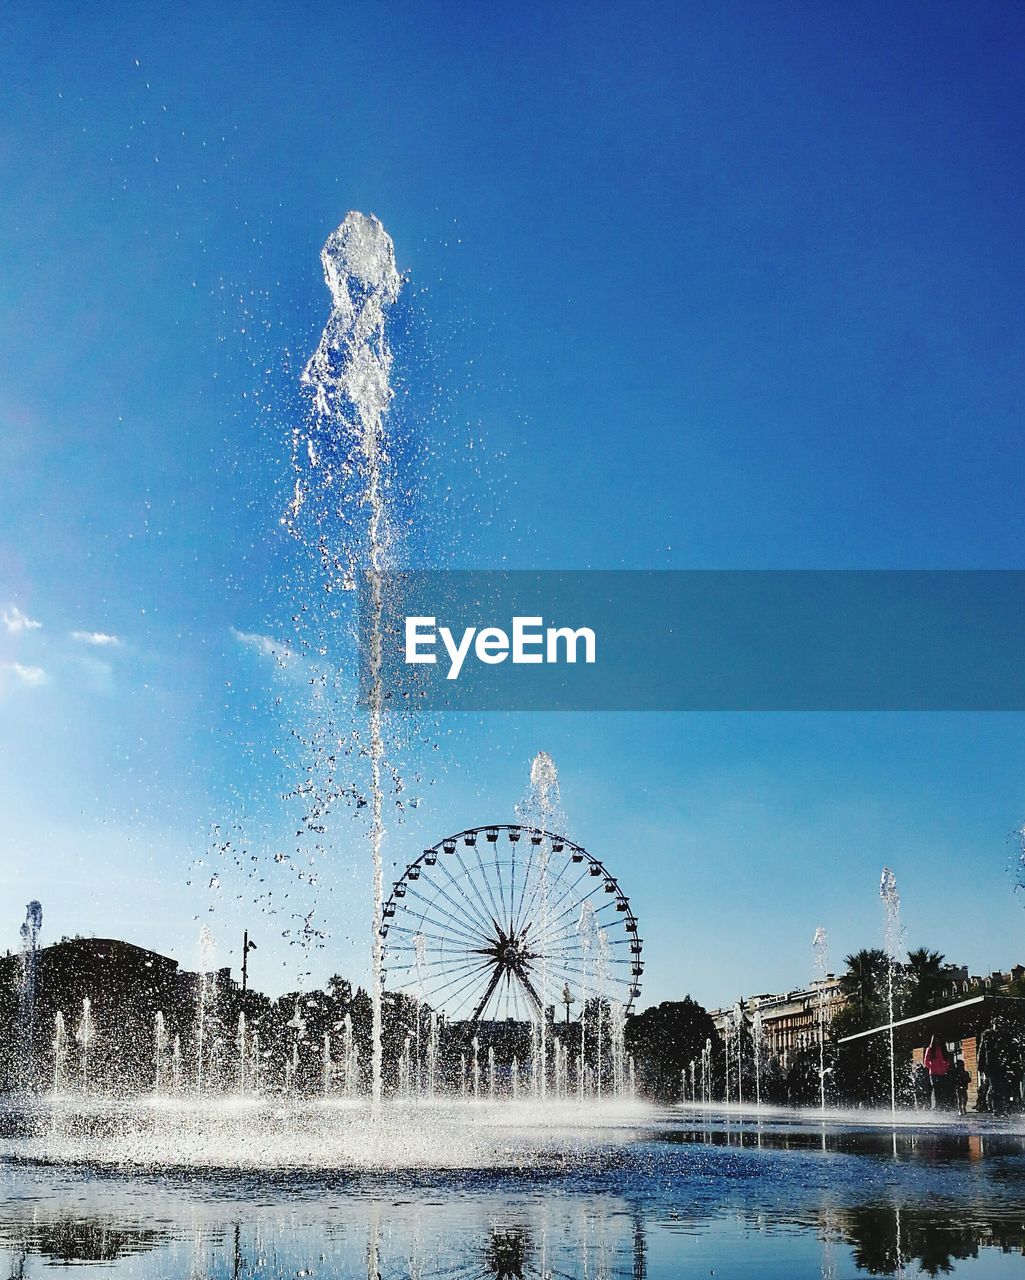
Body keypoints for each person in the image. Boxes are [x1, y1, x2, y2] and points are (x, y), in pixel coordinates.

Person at [923, 1034, 952, 1110]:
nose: (937, 1041)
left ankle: (943, 1105)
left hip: (943, 1073)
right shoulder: (930, 1049)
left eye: (938, 1039)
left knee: (943, 1089)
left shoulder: (943, 1049)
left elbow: (947, 1060)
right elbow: (926, 1061)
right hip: (934, 1073)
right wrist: (933, 1066)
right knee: (936, 1089)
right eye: (935, 1039)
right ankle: (937, 1105)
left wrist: (946, 1067)